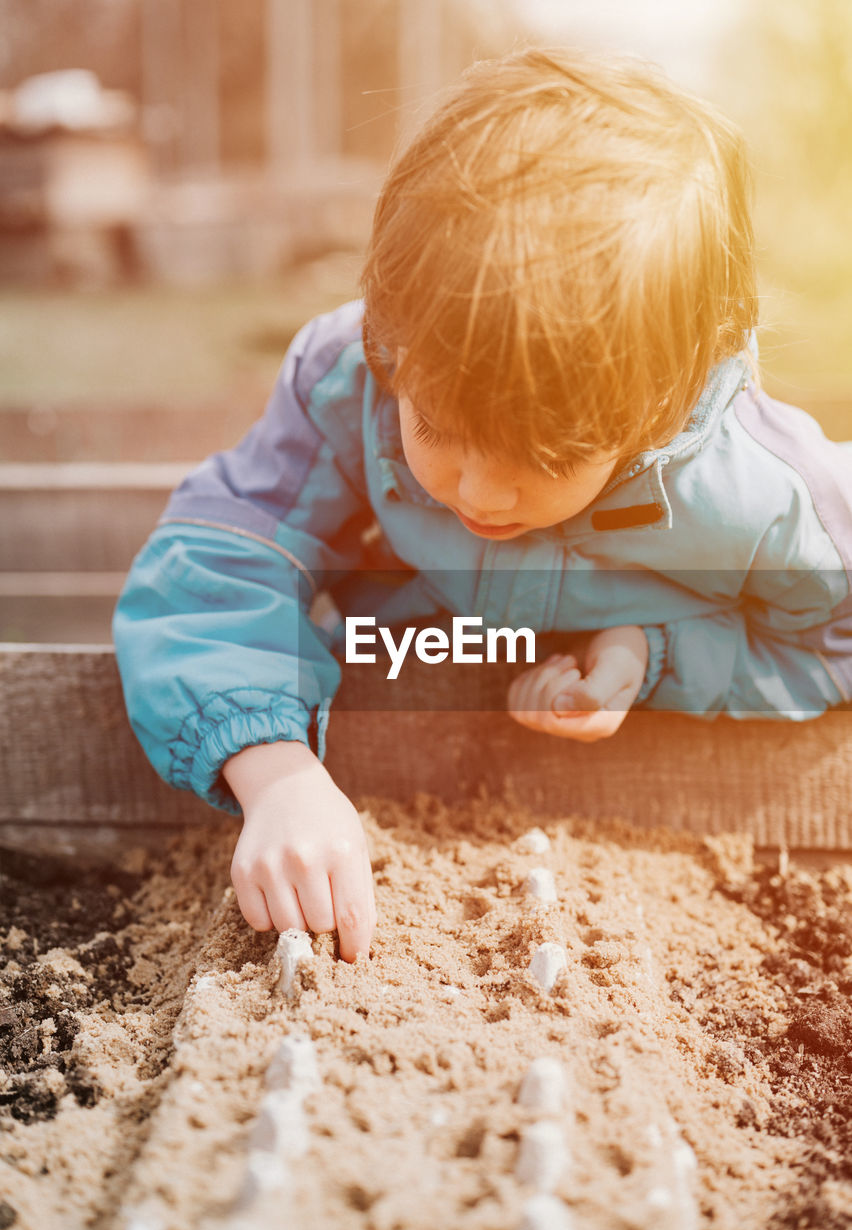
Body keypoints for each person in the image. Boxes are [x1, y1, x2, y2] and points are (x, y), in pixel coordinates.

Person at [113, 47, 852, 963]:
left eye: (548, 457)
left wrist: (653, 653)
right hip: (405, 673)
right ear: (393, 336)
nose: (479, 491)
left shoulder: (763, 494)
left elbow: (833, 639)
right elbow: (219, 558)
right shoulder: (354, 386)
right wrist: (277, 773)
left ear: (659, 404)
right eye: (439, 429)